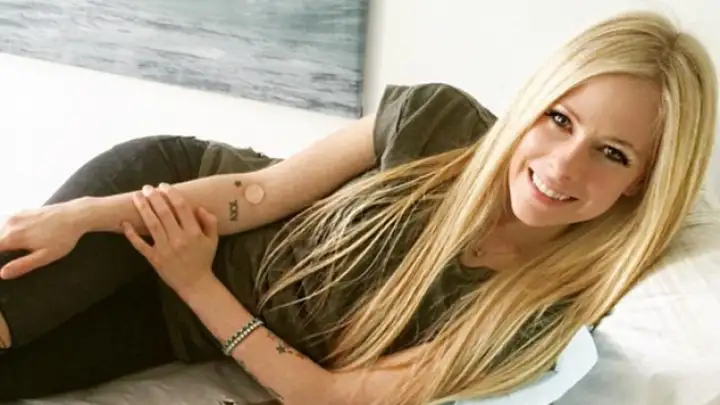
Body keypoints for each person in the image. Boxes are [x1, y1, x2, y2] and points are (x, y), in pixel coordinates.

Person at [0, 10, 716, 405]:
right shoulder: (436, 122)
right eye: (559, 119)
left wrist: (194, 284)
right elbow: (257, 192)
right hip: (172, 204)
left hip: (183, 315)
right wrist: (83, 215)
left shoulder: (538, 314)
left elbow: (325, 395)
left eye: (612, 153)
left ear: (641, 183)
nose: (563, 165)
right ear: (532, 104)